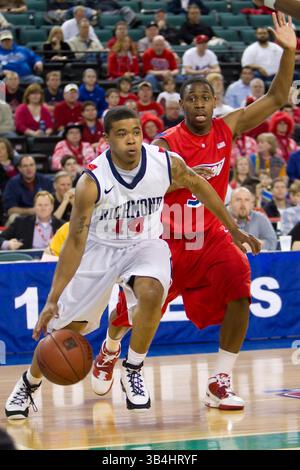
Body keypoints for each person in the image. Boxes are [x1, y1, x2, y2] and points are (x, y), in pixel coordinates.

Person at [4, 107, 259, 420]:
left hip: (145, 244)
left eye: (136, 132)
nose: (131, 140)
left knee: (153, 292)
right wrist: (53, 298)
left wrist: (233, 228)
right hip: (101, 248)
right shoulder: (92, 181)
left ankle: (133, 368)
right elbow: (74, 243)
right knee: (65, 332)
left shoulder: (163, 162)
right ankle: (29, 384)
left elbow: (199, 185)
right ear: (107, 139)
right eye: (122, 134)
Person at [96, 13, 296, 411]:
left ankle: (220, 380)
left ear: (214, 100)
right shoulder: (166, 145)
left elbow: (276, 98)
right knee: (127, 318)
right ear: (181, 104)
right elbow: (166, 185)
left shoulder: (228, 127)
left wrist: (289, 50)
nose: (201, 104)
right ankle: (110, 347)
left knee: (240, 285)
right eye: (193, 99)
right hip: (167, 241)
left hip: (210, 238)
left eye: (206, 97)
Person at [3, 155, 53, 221]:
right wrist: (31, 211)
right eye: (25, 166)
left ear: (35, 166)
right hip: (22, 216)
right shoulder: (12, 183)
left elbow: (52, 203)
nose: (29, 168)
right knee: (14, 217)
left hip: (43, 214)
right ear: (19, 169)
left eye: (31, 165)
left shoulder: (46, 181)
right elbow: (10, 210)